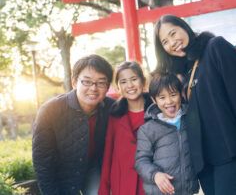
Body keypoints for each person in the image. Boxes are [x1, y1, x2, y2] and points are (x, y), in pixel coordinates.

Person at [153, 14, 236, 195]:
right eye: (165, 41)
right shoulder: (183, 72)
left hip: (232, 150)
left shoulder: (215, 47)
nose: (172, 42)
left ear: (184, 27)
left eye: (173, 33)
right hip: (205, 161)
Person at [32, 54, 114, 195]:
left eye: (101, 83)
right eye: (87, 82)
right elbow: (42, 162)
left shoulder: (112, 108)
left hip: (94, 169)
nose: (94, 88)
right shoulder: (50, 110)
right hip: (62, 174)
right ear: (75, 82)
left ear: (107, 87)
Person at [135, 72, 199, 195]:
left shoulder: (191, 118)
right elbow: (141, 161)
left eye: (173, 95)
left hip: (188, 190)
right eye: (162, 97)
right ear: (154, 100)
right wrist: (155, 175)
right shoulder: (147, 129)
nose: (169, 101)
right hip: (160, 192)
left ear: (181, 94)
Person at [98, 61, 152, 195]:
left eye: (134, 79)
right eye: (123, 82)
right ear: (118, 87)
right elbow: (108, 155)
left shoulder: (156, 111)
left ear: (143, 81)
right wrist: (103, 190)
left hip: (151, 183)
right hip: (122, 185)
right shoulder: (115, 115)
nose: (130, 85)